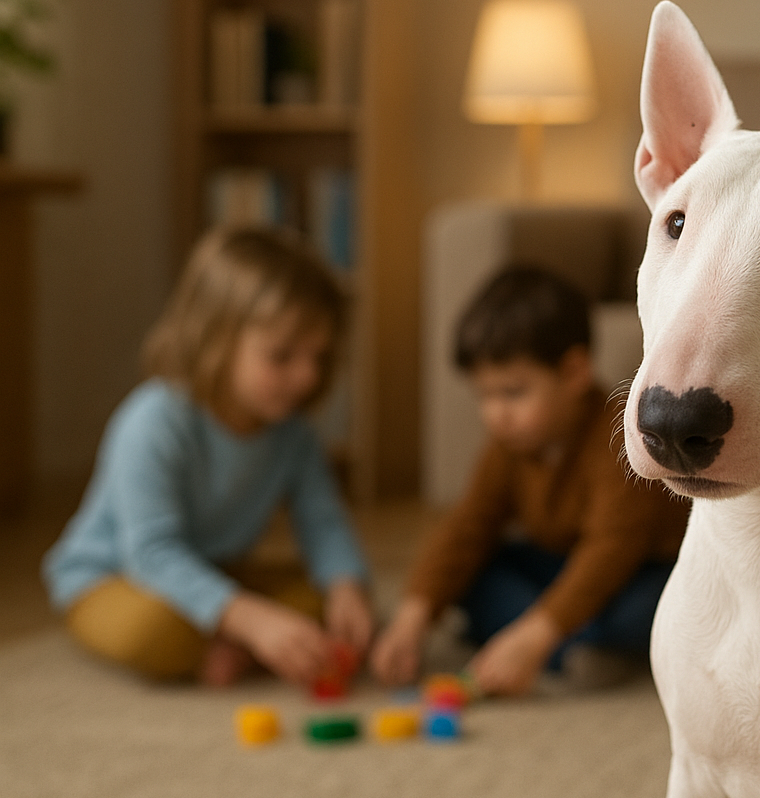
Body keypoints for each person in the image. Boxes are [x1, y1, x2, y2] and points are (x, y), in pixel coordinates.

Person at [44, 227, 373, 686]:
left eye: (318, 357)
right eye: (282, 356)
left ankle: (229, 643)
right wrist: (253, 620)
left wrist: (345, 587)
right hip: (116, 577)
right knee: (152, 631)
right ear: (215, 339)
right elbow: (152, 553)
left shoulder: (292, 433)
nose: (306, 376)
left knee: (329, 601)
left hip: (216, 569)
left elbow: (323, 521)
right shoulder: (154, 420)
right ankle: (234, 641)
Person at [369, 265, 690, 697]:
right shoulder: (509, 446)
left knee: (656, 604)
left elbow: (611, 551)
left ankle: (560, 642)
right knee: (479, 572)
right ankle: (574, 645)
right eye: (484, 396)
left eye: (513, 392)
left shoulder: (615, 437)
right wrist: (414, 614)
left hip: (638, 568)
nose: (495, 414)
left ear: (574, 373)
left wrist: (536, 634)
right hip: (561, 562)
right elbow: (468, 528)